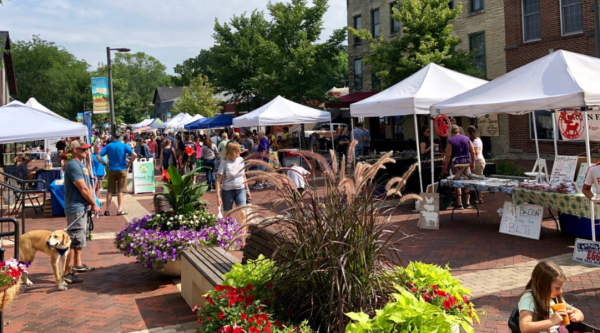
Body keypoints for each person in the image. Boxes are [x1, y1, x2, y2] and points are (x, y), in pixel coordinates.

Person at [63, 140, 100, 284]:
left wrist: (92, 201)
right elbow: (82, 188)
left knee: (80, 238)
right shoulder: (73, 165)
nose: (86, 151)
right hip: (75, 207)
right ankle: (67, 272)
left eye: (86, 149)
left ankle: (77, 265)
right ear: (74, 151)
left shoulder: (82, 165)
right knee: (73, 240)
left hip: (81, 207)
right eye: (83, 149)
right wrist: (93, 203)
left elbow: (88, 185)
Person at [518, 261, 584, 332]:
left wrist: (575, 316)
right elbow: (524, 328)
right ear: (543, 285)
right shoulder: (529, 298)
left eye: (561, 288)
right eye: (557, 288)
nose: (560, 291)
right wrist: (552, 321)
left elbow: (578, 312)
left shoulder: (553, 297)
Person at [100, 136, 137, 216]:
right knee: (121, 190)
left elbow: (98, 156)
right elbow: (134, 154)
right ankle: (119, 209)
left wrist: (105, 164)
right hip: (122, 169)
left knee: (110, 190)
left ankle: (107, 210)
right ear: (120, 138)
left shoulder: (109, 146)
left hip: (112, 169)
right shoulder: (124, 145)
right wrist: (129, 163)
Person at [216, 142, 251, 223]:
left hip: (240, 190)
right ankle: (227, 233)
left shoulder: (241, 160)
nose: (240, 151)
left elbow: (243, 176)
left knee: (242, 213)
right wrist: (218, 196)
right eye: (238, 150)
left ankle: (242, 234)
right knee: (227, 214)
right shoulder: (224, 162)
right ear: (232, 151)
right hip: (228, 191)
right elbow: (218, 180)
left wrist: (247, 190)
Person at [444, 125, 476, 210]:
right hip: (466, 162)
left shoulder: (450, 141)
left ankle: (459, 203)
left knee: (457, 181)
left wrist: (445, 165)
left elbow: (448, 156)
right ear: (458, 131)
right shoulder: (467, 139)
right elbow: (472, 152)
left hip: (456, 163)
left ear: (451, 132)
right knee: (466, 181)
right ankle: (468, 202)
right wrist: (473, 162)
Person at [466, 126, 486, 203]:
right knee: (476, 179)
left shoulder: (476, 141)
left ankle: (479, 197)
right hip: (478, 161)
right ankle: (478, 196)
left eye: (467, 132)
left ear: (470, 133)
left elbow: (476, 152)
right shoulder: (476, 140)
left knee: (477, 179)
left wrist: (472, 161)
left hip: (477, 161)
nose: (466, 133)